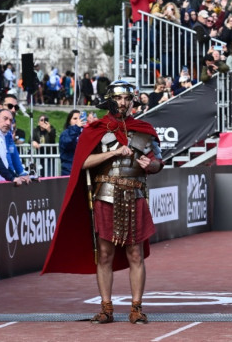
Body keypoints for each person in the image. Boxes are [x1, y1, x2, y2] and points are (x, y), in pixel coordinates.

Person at [42, 81, 163, 325]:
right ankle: (107, 307)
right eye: (118, 99)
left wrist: (150, 166)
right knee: (105, 254)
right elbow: (83, 163)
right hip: (106, 195)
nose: (123, 103)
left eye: (127, 98)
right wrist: (114, 153)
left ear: (133, 101)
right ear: (110, 101)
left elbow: (158, 162)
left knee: (135, 254)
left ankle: (136, 308)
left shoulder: (144, 129)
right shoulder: (97, 129)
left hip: (135, 195)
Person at [0, 109, 32, 185]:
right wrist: (11, 178)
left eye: (11, 120)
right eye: (5, 119)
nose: (8, 123)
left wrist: (16, 176)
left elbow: (5, 165)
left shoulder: (0, 135)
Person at [58, 109, 83, 176]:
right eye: (75, 118)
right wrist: (76, 128)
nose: (78, 121)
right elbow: (67, 143)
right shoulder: (65, 133)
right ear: (69, 121)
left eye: (80, 118)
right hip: (69, 170)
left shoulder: (82, 133)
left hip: (82, 169)